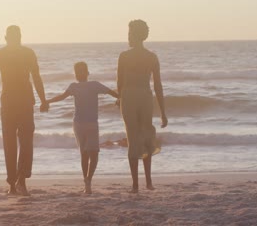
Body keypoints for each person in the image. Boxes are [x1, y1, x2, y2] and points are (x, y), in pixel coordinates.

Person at [0, 25, 48, 196]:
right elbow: (36, 77)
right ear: (17, 37)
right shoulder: (24, 53)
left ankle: (16, 183)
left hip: (14, 102)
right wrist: (42, 99)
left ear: (6, 37)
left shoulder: (3, 54)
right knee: (22, 141)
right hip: (17, 102)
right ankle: (18, 181)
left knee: (13, 142)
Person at [45, 62, 119, 194]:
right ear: (87, 73)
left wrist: (47, 102)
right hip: (91, 123)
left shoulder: (74, 86)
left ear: (76, 74)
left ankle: (86, 182)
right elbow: (112, 93)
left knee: (84, 154)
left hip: (78, 123)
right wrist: (122, 99)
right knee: (94, 154)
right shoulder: (95, 85)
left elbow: (62, 97)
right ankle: (88, 180)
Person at [117, 20, 168, 193]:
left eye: (130, 33)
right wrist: (163, 112)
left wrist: (119, 99)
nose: (128, 37)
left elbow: (120, 82)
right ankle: (148, 182)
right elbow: (158, 86)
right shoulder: (152, 56)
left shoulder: (124, 56)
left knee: (133, 138)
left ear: (135, 35)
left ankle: (135, 185)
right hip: (146, 97)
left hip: (129, 97)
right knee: (146, 137)